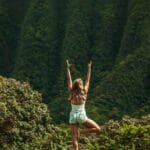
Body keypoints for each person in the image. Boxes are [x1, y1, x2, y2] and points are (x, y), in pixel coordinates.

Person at [66, 60, 101, 150]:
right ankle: (82, 131)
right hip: (82, 116)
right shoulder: (84, 92)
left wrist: (68, 69)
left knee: (74, 137)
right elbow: (88, 80)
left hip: (73, 116)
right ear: (81, 85)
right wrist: (89, 68)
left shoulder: (71, 92)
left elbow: (68, 80)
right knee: (98, 129)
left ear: (74, 85)